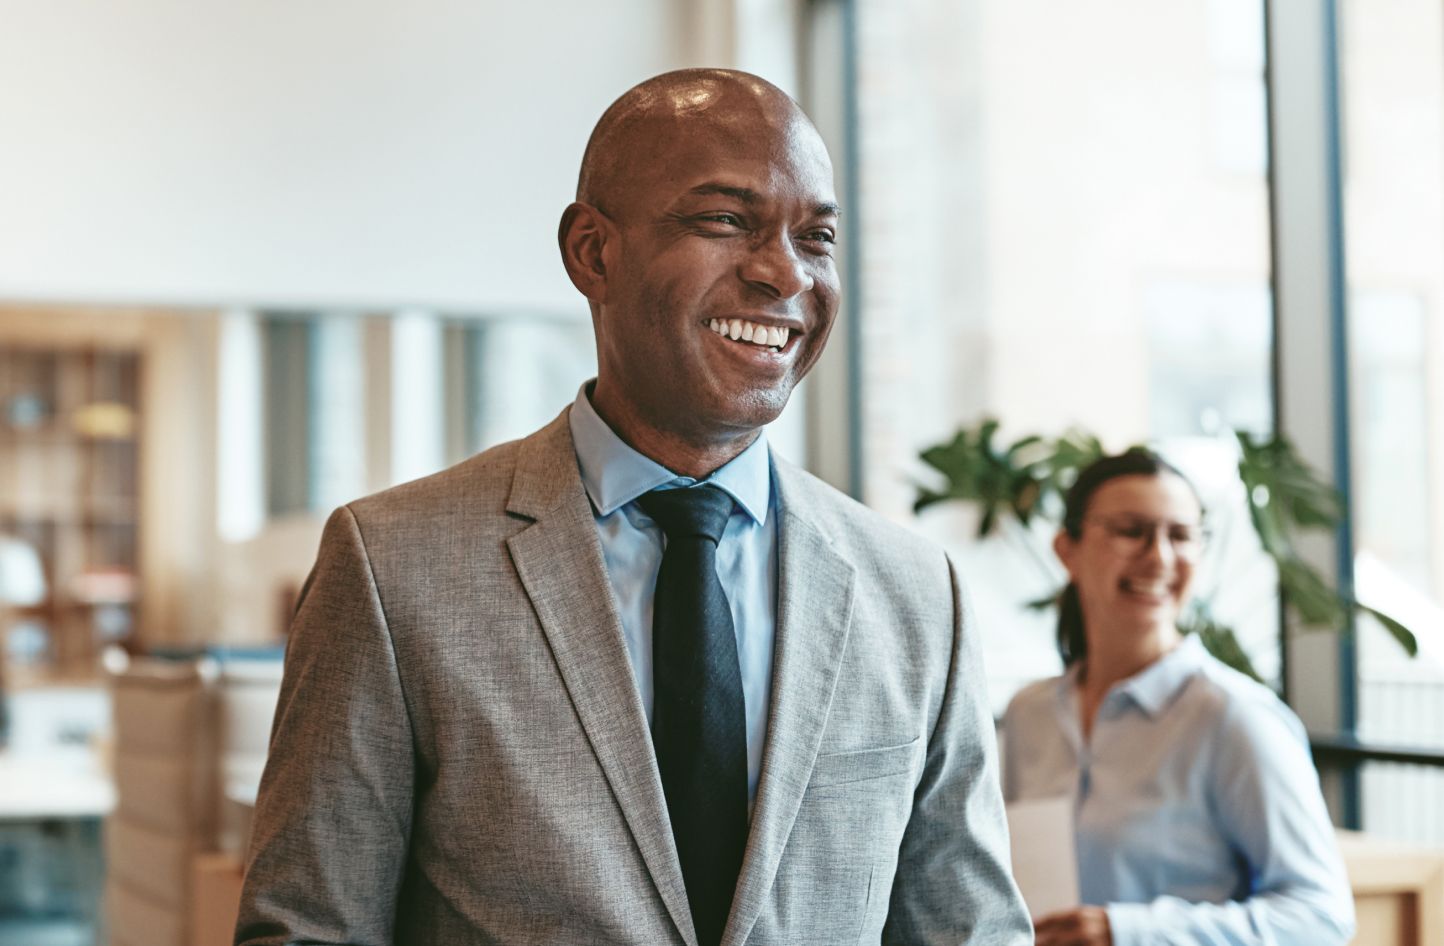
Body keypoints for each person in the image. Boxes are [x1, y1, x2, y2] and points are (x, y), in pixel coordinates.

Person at [235, 69, 1030, 946]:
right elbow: (309, 928)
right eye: (726, 221)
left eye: (817, 236)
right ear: (592, 252)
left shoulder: (917, 594)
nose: (783, 273)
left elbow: (972, 931)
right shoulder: (393, 567)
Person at [1002, 450, 1356, 946]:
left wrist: (1126, 933)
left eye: (1181, 535)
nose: (1160, 557)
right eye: (1131, 530)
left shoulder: (1234, 718)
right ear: (1067, 549)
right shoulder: (1028, 714)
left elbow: (1320, 916)